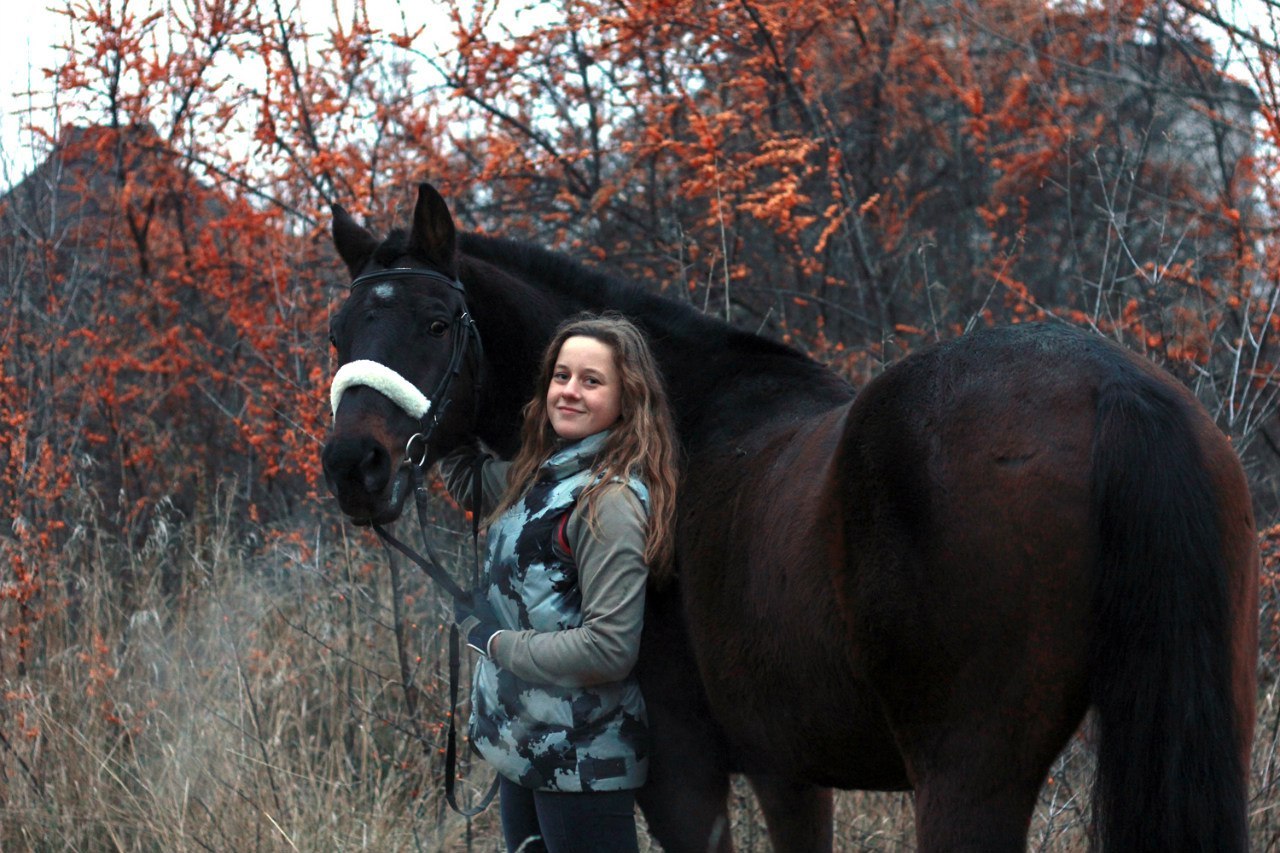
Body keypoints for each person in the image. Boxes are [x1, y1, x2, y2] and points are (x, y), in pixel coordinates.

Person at [438, 313, 679, 853]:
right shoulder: (542, 474)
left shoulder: (608, 501)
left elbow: (609, 648)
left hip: (581, 760)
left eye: (591, 381)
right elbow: (469, 478)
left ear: (628, 398)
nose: (569, 392)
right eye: (561, 376)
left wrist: (496, 642)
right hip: (522, 747)